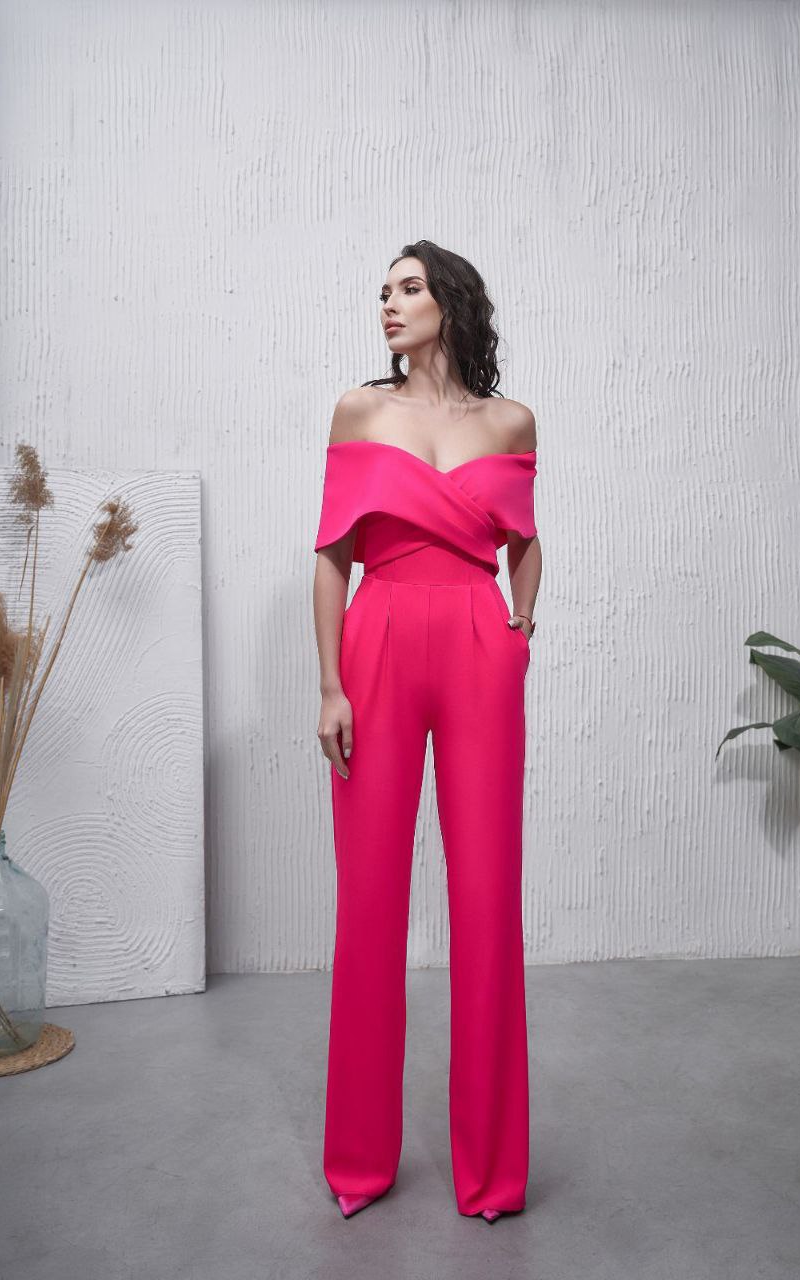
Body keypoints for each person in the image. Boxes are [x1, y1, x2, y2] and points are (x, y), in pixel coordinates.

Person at [312, 239, 541, 1222]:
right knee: (369, 903)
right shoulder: (361, 411)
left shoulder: (509, 421)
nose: (389, 304)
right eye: (383, 292)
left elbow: (525, 540)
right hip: (378, 644)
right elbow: (332, 556)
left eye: (407, 288)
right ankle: (359, 1161)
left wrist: (518, 627)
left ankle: (490, 1173)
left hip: (478, 650)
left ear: (450, 300)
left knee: (487, 900)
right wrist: (331, 685)